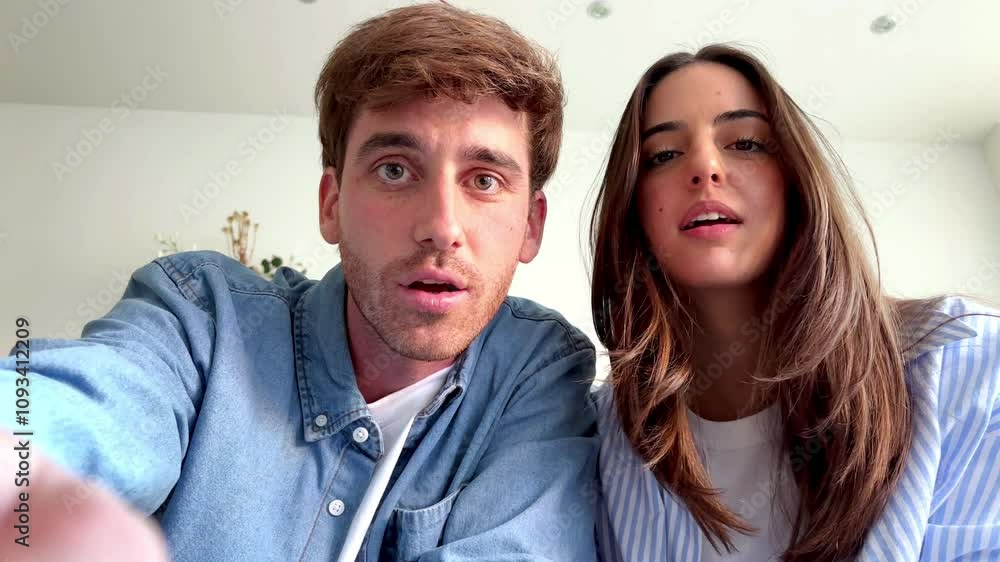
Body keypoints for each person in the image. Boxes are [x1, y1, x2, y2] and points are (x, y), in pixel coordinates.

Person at [0, 4, 599, 561]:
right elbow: (83, 403)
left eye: (485, 180)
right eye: (395, 170)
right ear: (331, 205)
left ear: (531, 225)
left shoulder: (535, 371)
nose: (442, 227)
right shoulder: (202, 318)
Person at [590, 44, 1000, 562]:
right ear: (633, 208)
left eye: (745, 143)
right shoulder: (602, 432)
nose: (705, 167)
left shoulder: (967, 365)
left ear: (795, 179)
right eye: (664, 155)